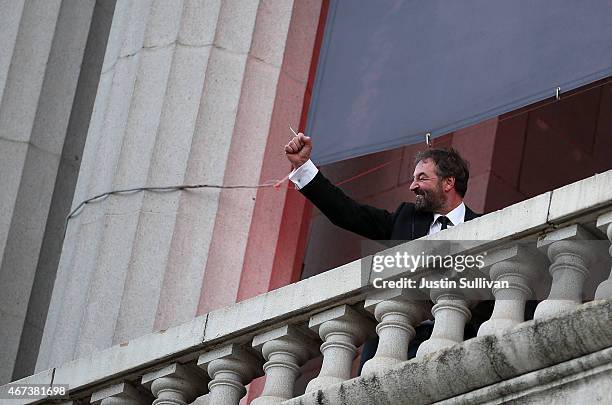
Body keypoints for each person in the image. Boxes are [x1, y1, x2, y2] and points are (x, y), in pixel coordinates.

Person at [283, 132, 489, 371]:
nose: (413, 186)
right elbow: (347, 212)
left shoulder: (484, 227)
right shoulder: (404, 218)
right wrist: (303, 167)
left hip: (455, 344)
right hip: (394, 345)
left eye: (421, 178)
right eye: (413, 178)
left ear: (448, 182)